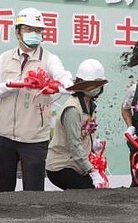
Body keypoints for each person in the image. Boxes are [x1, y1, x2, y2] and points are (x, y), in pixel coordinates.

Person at [0, 7, 73, 192]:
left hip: (34, 140)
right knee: (3, 192)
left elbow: (66, 81)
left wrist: (56, 85)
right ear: (17, 32)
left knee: (33, 195)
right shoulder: (5, 58)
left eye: (38, 30)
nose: (34, 34)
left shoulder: (49, 59)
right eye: (28, 29)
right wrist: (11, 85)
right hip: (5, 137)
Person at [46, 59, 108, 190]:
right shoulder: (73, 110)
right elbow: (75, 145)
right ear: (81, 84)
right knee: (88, 192)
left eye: (98, 84)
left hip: (77, 165)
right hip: (62, 166)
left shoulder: (89, 104)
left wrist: (93, 145)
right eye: (91, 84)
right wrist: (92, 171)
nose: (95, 88)